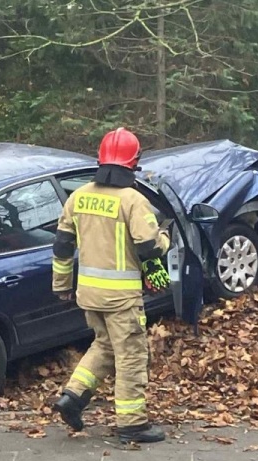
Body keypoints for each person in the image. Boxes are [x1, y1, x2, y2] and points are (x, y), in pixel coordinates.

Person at [50, 127, 172, 444]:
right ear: (134, 162)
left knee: (104, 345)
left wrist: (61, 285)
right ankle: (132, 424)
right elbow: (149, 247)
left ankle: (73, 397)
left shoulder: (78, 197)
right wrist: (166, 238)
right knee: (131, 357)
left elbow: (62, 246)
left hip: (89, 295)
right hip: (121, 299)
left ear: (101, 159)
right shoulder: (133, 200)